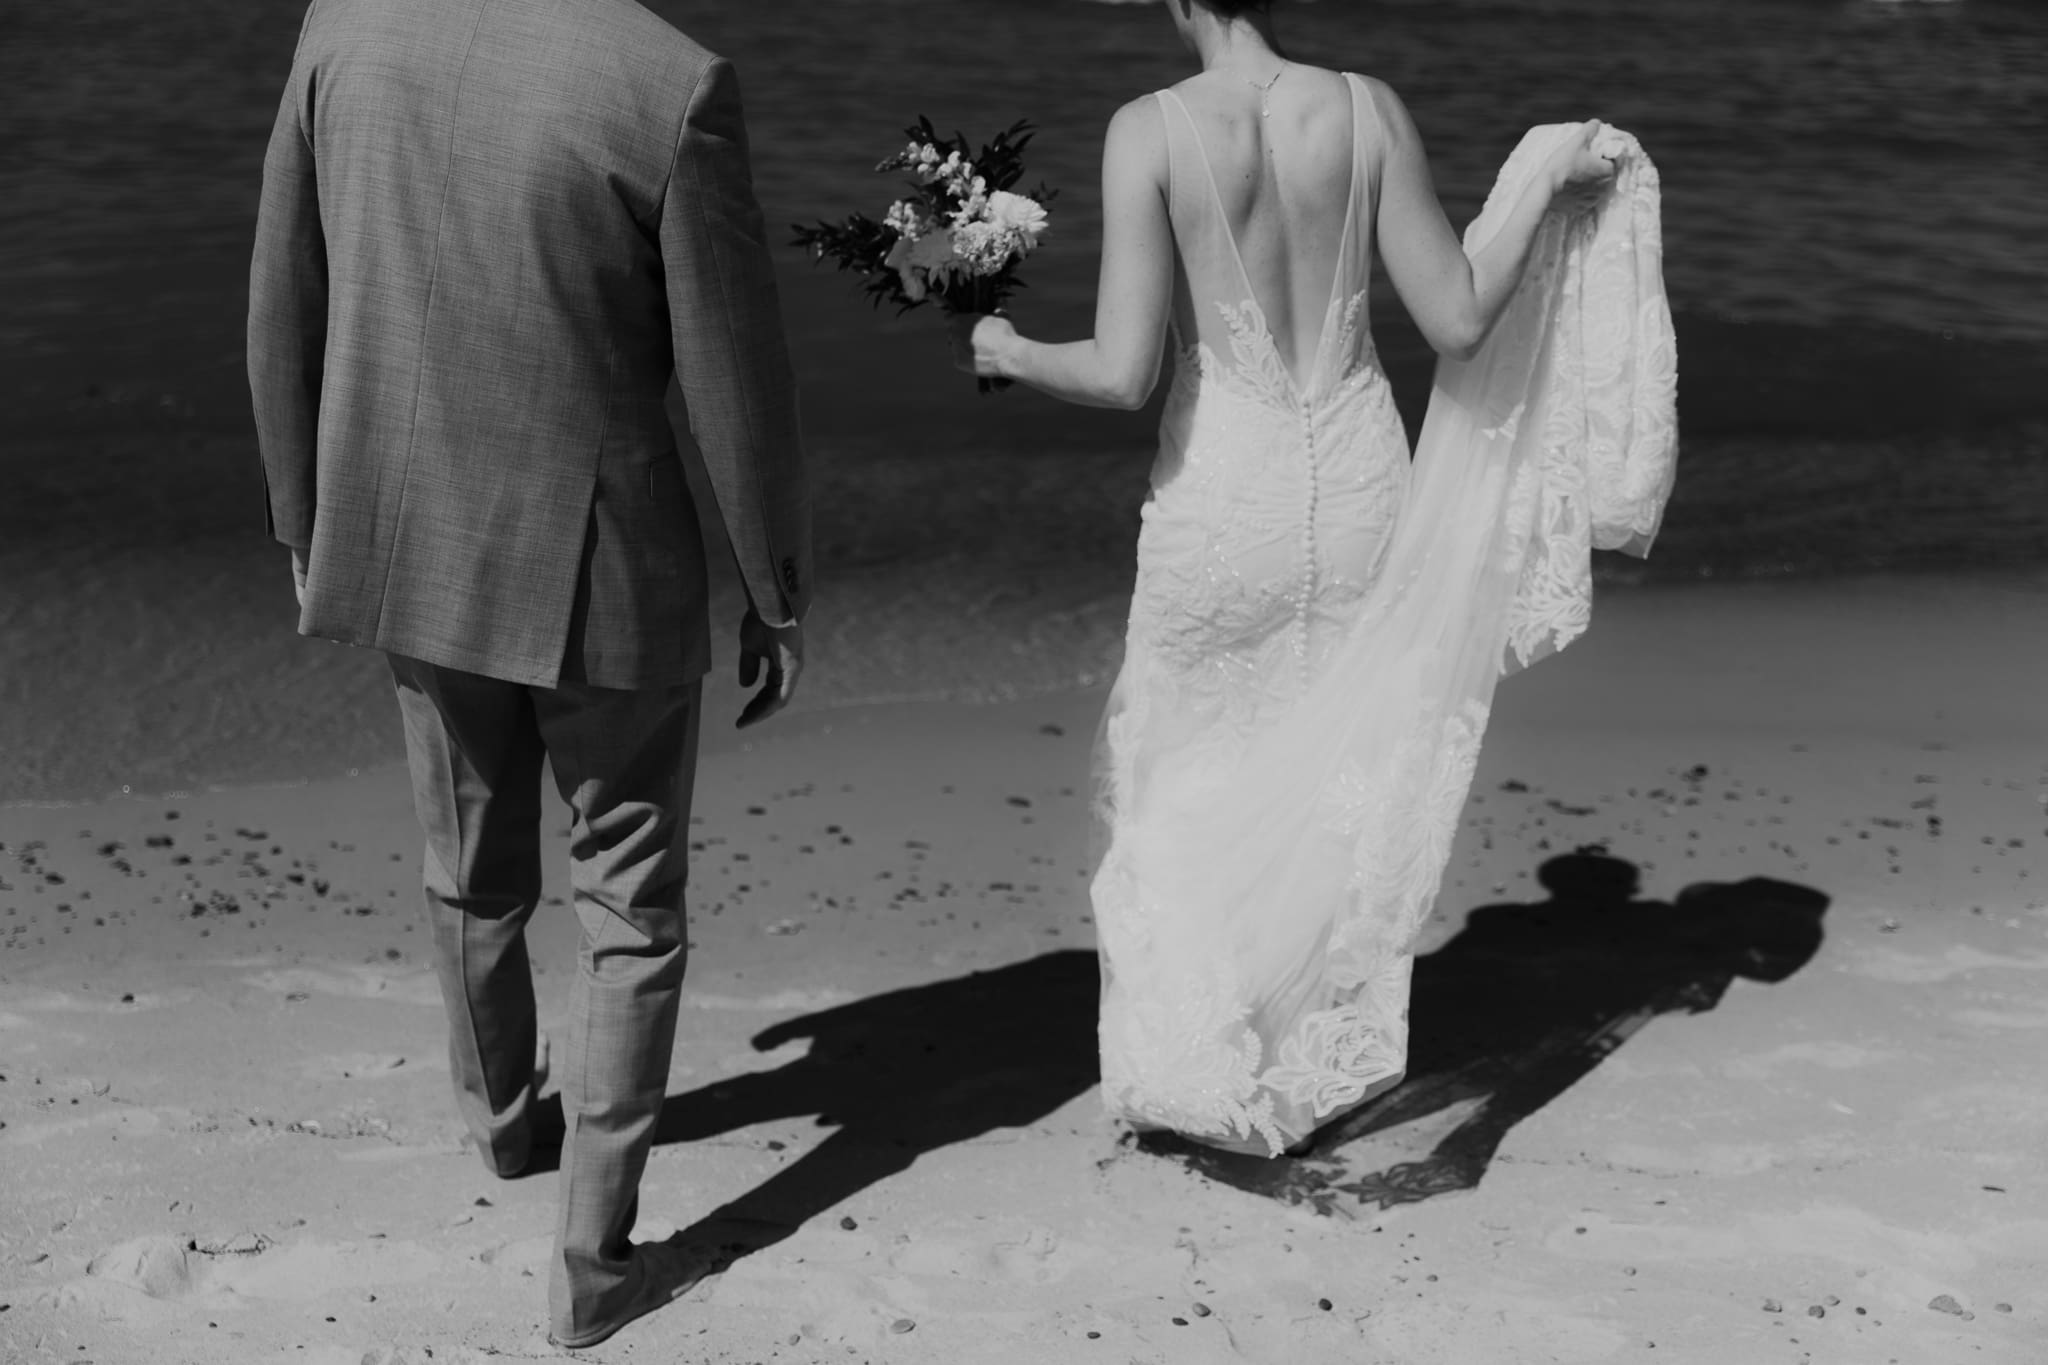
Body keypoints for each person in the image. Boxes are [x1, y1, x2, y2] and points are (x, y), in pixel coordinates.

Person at [952, 0, 1655, 1156]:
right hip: (1361, 475)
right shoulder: (1367, 108)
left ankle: (1194, 1061)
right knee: (1329, 758)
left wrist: (1007, 350)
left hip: (1229, 490)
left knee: (1178, 763)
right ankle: (1294, 1048)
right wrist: (1539, 175)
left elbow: (1125, 371)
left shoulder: (1148, 129)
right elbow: (1459, 319)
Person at [248, 0, 810, 1346]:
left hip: (403, 530)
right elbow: (732, 367)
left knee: (468, 865)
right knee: (629, 907)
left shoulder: (346, 28)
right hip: (606, 564)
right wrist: (776, 584)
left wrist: (296, 518)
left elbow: (285, 290)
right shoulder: (670, 82)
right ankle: (591, 1263)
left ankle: (504, 1130)